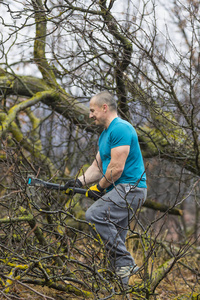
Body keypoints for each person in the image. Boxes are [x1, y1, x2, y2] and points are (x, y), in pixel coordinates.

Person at [65, 91, 147, 287]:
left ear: (104, 108)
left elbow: (117, 169)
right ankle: (119, 289)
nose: (90, 115)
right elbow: (96, 168)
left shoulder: (121, 129)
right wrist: (78, 182)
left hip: (130, 189)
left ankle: (126, 261)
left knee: (94, 214)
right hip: (119, 190)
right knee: (116, 239)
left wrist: (99, 188)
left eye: (92, 110)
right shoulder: (104, 135)